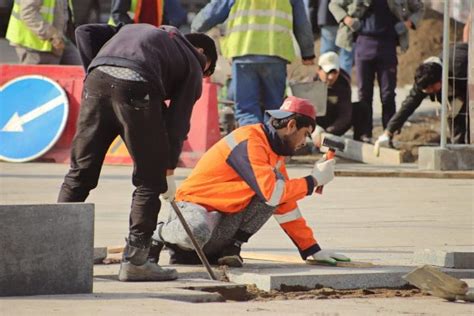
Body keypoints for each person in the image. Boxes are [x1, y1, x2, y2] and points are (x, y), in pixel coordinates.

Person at [57, 23, 218, 281]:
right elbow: (177, 124)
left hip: (97, 81)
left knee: (80, 172)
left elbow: (84, 32)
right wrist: (167, 170)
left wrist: (95, 71)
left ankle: (57, 250)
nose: (202, 74)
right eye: (206, 70)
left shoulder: (143, 33)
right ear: (202, 52)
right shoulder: (192, 60)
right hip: (137, 87)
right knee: (149, 181)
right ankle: (136, 261)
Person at [148, 96, 350, 268]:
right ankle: (158, 234)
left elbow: (285, 204)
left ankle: (230, 248)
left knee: (277, 188)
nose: (303, 143)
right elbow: (272, 193)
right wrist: (313, 180)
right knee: (198, 230)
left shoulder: (275, 155)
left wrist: (311, 249)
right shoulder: (250, 141)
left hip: (219, 224)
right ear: (291, 126)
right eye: (305, 134)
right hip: (193, 212)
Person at [191, 0, 316, 126]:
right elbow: (302, 23)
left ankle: (253, 143)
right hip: (275, 54)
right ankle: (270, 142)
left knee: (247, 110)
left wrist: (194, 29)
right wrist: (308, 53)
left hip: (244, 53)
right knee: (274, 111)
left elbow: (214, 11)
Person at [329, 0, 424, 142]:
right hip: (364, 43)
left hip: (388, 46)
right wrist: (347, 19)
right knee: (364, 94)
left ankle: (389, 133)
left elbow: (419, 8)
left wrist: (408, 23)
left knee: (387, 94)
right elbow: (334, 4)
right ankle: (364, 134)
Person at [374, 43, 470, 152]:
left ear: (440, 79)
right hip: (457, 87)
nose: (430, 93)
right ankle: (460, 151)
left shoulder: (459, 68)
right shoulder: (424, 78)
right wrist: (388, 131)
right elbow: (409, 104)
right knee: (454, 113)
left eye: (432, 89)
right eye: (427, 91)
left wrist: (463, 98)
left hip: (468, 72)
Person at [5, 0, 81, 65]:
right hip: (34, 45)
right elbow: (28, 14)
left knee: (81, 71)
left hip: (58, 40)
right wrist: (53, 36)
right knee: (36, 79)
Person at [312, 51, 352, 137]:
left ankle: (362, 138)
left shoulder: (343, 82)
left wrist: (330, 131)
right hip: (315, 124)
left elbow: (345, 113)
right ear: (319, 70)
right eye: (328, 72)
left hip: (334, 121)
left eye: (334, 72)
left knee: (362, 108)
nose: (331, 77)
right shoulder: (310, 83)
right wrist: (315, 129)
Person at [312, 0, 354, 76]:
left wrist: (313, 26)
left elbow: (311, 4)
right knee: (345, 57)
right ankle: (344, 84)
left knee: (327, 57)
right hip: (348, 18)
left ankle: (325, 84)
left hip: (327, 17)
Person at [109, 0, 187, 28]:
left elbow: (162, 16)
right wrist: (133, 32)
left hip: (149, 36)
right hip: (120, 36)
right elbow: (118, 15)